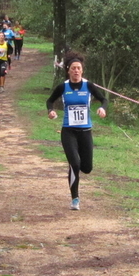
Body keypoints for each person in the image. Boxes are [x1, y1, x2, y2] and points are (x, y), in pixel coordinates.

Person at [46, 51, 108, 211]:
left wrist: (102, 108)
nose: (76, 71)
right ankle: (75, 199)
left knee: (86, 168)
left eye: (78, 68)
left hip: (85, 131)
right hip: (68, 132)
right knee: (75, 163)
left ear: (82, 70)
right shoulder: (63, 87)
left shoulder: (89, 86)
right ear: (68, 70)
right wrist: (51, 111)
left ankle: (77, 167)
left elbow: (104, 99)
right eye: (73, 68)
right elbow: (50, 100)